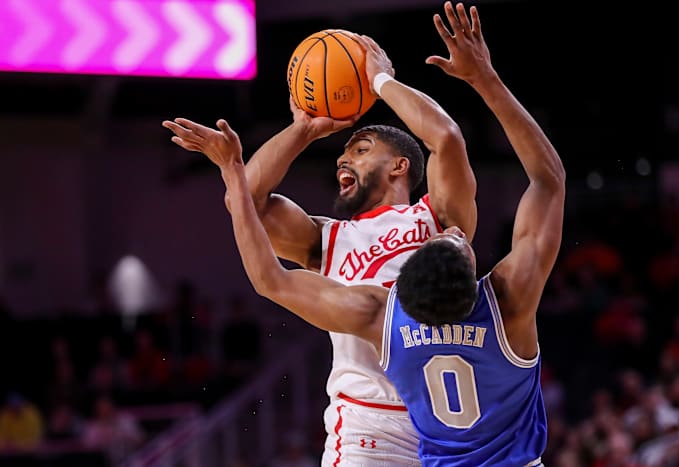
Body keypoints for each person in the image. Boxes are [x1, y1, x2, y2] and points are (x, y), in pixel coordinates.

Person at [175, 3, 566, 464]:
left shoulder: (437, 218)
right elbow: (247, 202)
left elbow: (446, 137)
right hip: (371, 428)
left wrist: (383, 82)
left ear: (401, 165)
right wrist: (302, 130)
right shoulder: (326, 239)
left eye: (360, 149)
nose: (343, 159)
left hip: (434, 429)